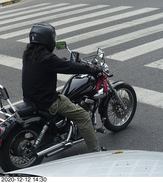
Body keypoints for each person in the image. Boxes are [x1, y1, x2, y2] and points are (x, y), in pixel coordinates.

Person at [22, 22, 103, 152]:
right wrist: (91, 69)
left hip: (31, 98)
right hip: (48, 101)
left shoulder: (29, 54)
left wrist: (60, 62)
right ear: (47, 39)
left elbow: (52, 64)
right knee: (83, 117)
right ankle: (96, 151)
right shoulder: (47, 58)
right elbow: (70, 67)